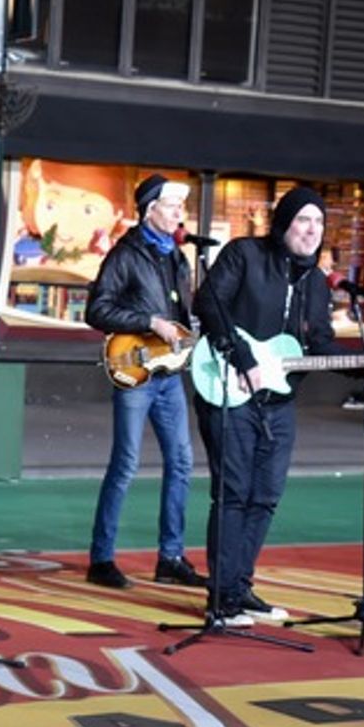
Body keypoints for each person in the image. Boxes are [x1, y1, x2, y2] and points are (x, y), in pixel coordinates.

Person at [194, 186, 364, 622]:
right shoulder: (244, 255)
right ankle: (221, 598)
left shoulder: (316, 283)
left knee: (265, 496)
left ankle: (239, 586)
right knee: (233, 494)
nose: (312, 230)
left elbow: (320, 343)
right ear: (284, 223)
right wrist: (242, 358)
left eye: (319, 222)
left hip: (279, 401)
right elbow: (208, 303)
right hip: (229, 389)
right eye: (303, 219)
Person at [83, 174, 205, 591]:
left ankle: (171, 557)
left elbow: (183, 317)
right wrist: (149, 322)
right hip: (135, 371)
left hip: (169, 374)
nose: (178, 214)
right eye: (171, 206)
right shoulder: (125, 254)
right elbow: (97, 309)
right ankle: (101, 559)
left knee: (182, 462)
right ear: (150, 209)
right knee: (126, 464)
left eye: (180, 207)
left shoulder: (177, 258)